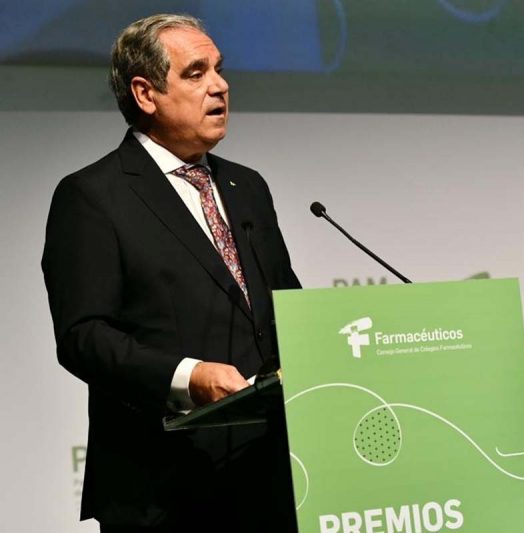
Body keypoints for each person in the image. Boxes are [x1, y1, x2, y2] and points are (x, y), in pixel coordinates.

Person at [41, 14, 300, 532]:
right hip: (164, 488)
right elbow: (84, 336)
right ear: (145, 94)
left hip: (271, 476)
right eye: (196, 73)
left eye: (219, 69)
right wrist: (189, 376)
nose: (220, 86)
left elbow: (285, 303)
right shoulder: (93, 196)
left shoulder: (247, 187)